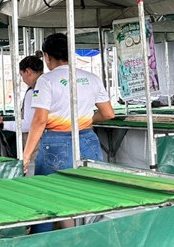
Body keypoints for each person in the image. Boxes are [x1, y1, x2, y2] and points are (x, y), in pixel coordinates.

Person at [22, 33, 116, 233]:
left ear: (47, 57)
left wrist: (26, 153)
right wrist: (86, 118)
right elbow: (108, 113)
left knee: (48, 197)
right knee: (88, 197)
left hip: (56, 143)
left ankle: (46, 242)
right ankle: (86, 238)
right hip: (89, 141)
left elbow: (39, 120)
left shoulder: (46, 81)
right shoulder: (91, 78)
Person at [0, 54, 44, 164]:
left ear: (28, 72)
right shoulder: (48, 85)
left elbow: (29, 124)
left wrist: (2, 125)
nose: (23, 80)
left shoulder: (33, 92)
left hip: (36, 144)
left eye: (22, 76)